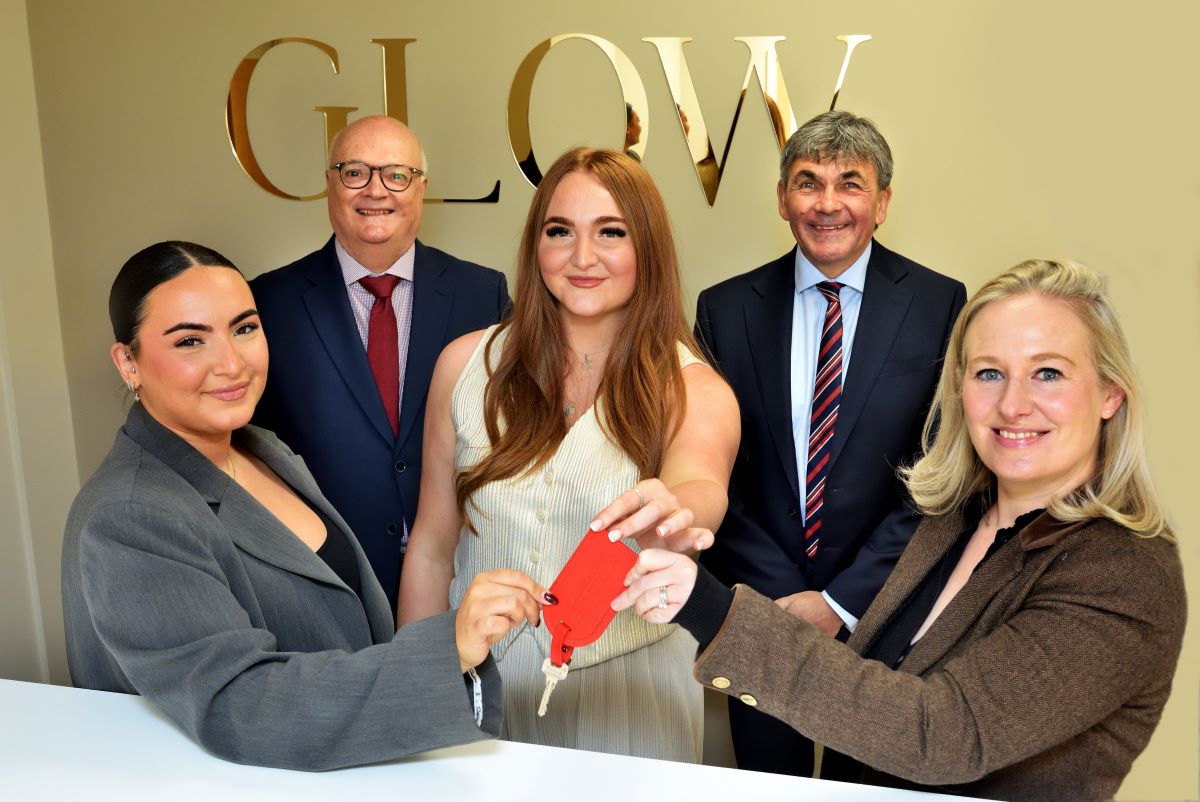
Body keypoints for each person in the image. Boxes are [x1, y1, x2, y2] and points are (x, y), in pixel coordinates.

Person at [615, 259, 1186, 801]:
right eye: (990, 373)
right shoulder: (953, 520)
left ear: (1111, 394)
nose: (1014, 405)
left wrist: (710, 606)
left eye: (1048, 373)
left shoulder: (1125, 572)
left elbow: (938, 735)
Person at [62, 241, 545, 771]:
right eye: (190, 341)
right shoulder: (130, 515)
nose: (231, 363)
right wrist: (444, 649)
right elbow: (242, 703)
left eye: (244, 328)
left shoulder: (262, 449)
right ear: (128, 362)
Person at [398, 148, 739, 762]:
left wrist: (677, 511)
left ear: (648, 248)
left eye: (611, 232)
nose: (583, 258)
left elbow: (700, 489)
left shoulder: (695, 390)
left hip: (632, 708)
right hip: (482, 698)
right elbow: (431, 547)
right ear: (536, 246)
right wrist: (414, 687)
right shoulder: (464, 367)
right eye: (561, 232)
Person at [693, 109, 966, 777]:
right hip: (763, 610)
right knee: (767, 788)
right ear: (783, 198)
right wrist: (784, 602)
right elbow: (718, 470)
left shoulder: (939, 305)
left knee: (870, 788)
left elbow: (942, 468)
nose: (828, 203)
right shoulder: (724, 309)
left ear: (882, 201)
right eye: (808, 182)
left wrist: (841, 601)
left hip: (884, 612)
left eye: (851, 182)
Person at [250, 116, 509, 608]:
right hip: (327, 584)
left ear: (421, 188)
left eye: (396, 174)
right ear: (329, 184)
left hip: (462, 580)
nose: (376, 190)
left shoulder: (483, 294)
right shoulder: (268, 302)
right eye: (354, 173)